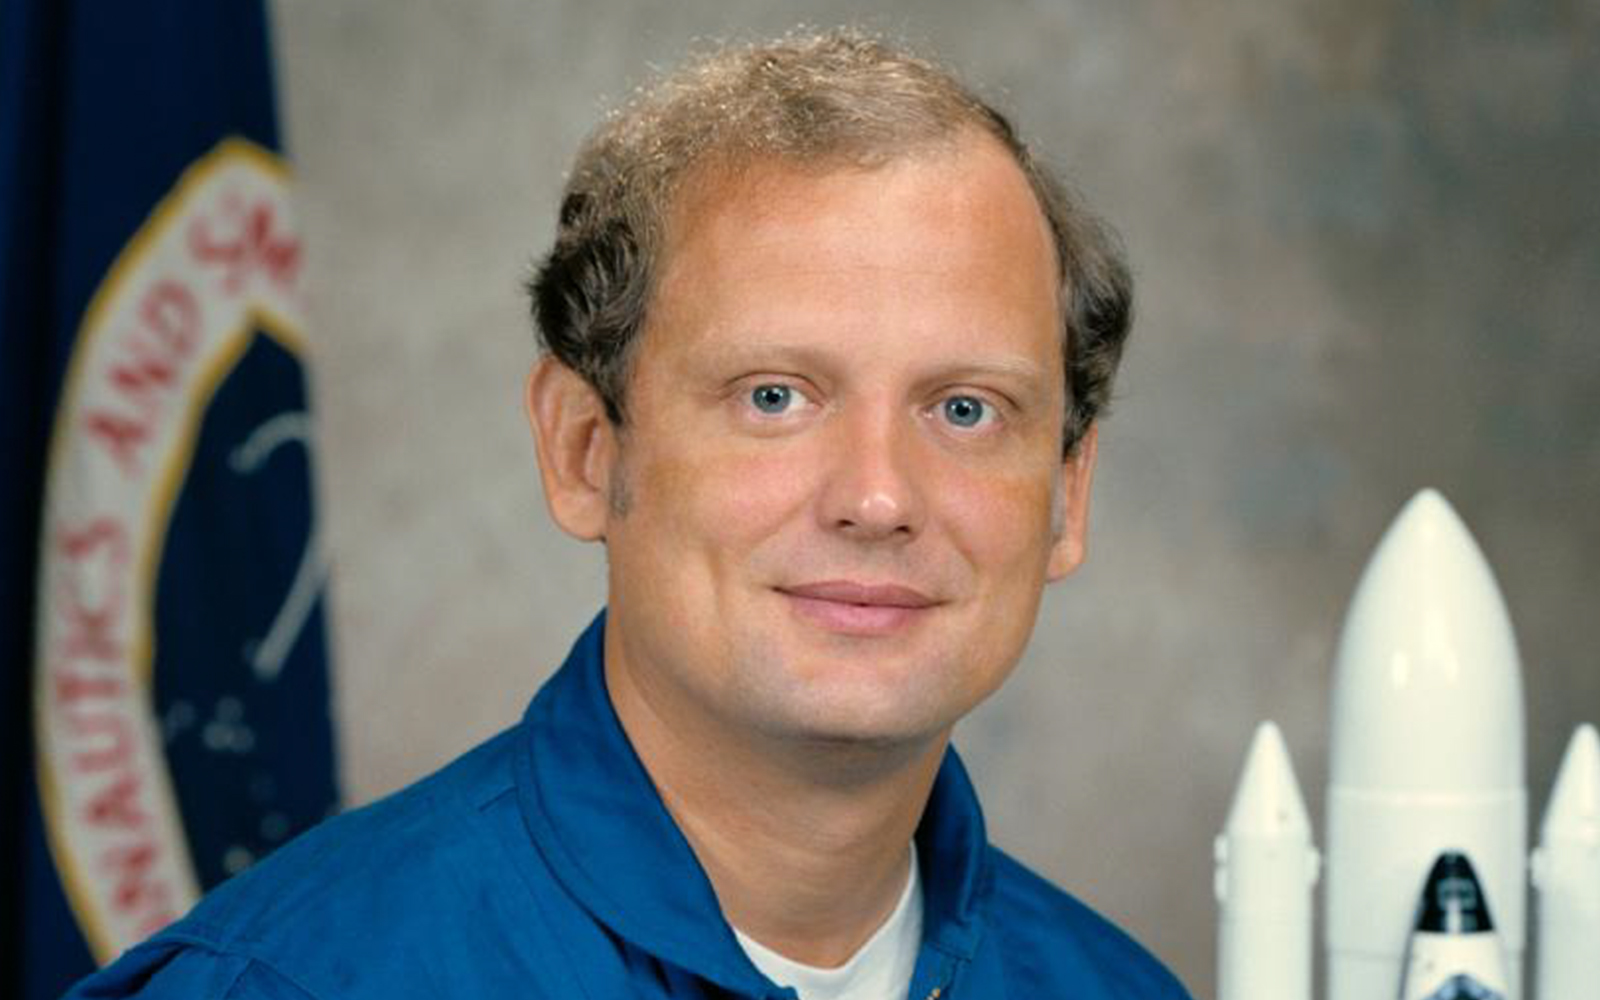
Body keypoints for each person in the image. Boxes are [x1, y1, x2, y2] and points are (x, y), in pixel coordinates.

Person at [67, 29, 1192, 1000]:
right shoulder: (287, 983)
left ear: (1067, 493)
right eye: (774, 396)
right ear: (583, 449)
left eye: (965, 408)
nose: (878, 498)